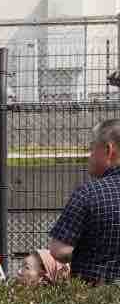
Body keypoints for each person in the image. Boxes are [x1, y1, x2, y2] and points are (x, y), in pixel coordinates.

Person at [48, 118, 120, 284]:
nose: (90, 154)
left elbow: (59, 250)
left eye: (92, 148)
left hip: (93, 295)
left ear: (108, 150)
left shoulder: (88, 194)